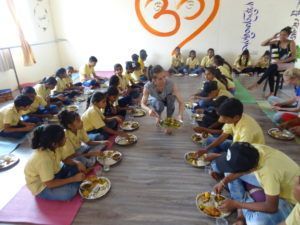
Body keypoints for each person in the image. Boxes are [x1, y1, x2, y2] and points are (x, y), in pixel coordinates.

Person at [214, 142, 299, 225]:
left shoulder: (268, 172)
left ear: (250, 170)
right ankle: (242, 207)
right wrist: (223, 182)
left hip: (291, 200)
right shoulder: (252, 150)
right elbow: (242, 170)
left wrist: (236, 204)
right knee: (228, 173)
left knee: (255, 222)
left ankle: (242, 205)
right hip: (274, 180)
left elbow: (272, 207)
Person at [24, 125, 86, 201]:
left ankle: (71, 181)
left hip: (54, 174)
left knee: (78, 163)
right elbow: (50, 184)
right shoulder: (43, 158)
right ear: (54, 143)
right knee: (69, 193)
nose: (66, 138)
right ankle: (73, 182)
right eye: (63, 138)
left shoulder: (55, 147)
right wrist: (73, 179)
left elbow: (65, 160)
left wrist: (77, 163)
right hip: (43, 186)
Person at [195, 98, 264, 158]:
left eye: (225, 118)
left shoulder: (246, 131)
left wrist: (216, 156)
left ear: (236, 117)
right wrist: (206, 149)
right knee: (208, 140)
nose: (223, 121)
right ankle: (219, 153)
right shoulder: (234, 119)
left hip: (248, 153)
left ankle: (219, 155)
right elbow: (222, 136)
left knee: (216, 165)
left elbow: (239, 153)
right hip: (237, 144)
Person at [248, 26, 296, 97]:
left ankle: (258, 83)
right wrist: (272, 37)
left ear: (288, 35)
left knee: (272, 66)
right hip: (277, 64)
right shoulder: (277, 42)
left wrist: (281, 61)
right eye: (281, 34)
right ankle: (271, 92)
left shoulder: (291, 42)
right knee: (271, 71)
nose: (282, 36)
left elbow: (293, 57)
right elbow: (262, 44)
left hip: (288, 64)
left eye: (284, 35)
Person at [141, 65, 184, 134]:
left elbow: (181, 102)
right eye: (160, 79)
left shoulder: (171, 84)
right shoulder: (148, 86)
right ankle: (158, 116)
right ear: (153, 80)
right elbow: (142, 104)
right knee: (159, 104)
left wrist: (180, 114)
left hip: (167, 98)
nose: (164, 80)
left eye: (164, 76)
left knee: (171, 98)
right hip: (156, 100)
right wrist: (149, 110)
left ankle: (169, 119)